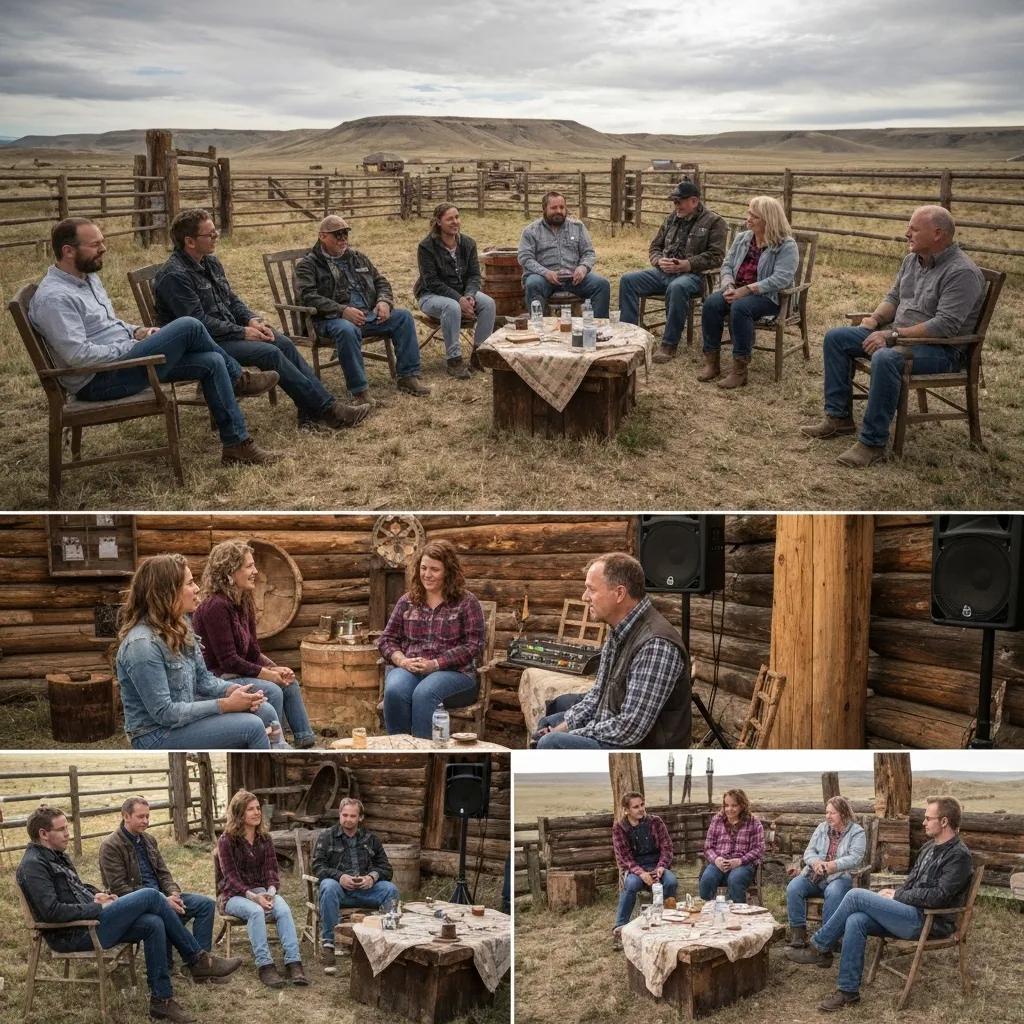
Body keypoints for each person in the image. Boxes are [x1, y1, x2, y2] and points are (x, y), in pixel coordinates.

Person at [28, 217, 278, 466]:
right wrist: (133, 347)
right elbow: (78, 356)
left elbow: (108, 324)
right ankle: (239, 378)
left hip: (123, 363)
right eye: (95, 245)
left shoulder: (87, 278)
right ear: (68, 251)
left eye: (102, 242)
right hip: (98, 380)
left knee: (211, 361)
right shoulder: (55, 298)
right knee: (189, 325)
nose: (103, 249)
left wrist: (138, 331)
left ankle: (236, 446)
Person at [17, 805, 241, 1024]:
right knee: (151, 896)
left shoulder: (56, 855)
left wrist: (98, 895)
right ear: (44, 834)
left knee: (153, 923)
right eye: (62, 829)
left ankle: (161, 1000)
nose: (68, 834)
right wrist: (98, 908)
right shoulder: (33, 865)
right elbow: (51, 911)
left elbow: (77, 887)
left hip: (89, 922)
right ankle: (197, 959)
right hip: (73, 934)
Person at [801, 205, 984, 467]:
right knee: (836, 338)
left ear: (937, 234)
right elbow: (895, 298)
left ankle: (872, 443)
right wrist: (875, 320)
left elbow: (945, 326)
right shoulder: (912, 260)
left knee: (886, 358)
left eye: (914, 228)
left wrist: (891, 335)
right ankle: (839, 418)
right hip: (898, 337)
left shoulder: (961, 272)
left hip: (941, 351)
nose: (906, 233)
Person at [154, 208, 368, 431]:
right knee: (269, 352)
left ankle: (311, 410)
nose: (216, 237)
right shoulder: (174, 276)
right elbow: (199, 323)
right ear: (189, 241)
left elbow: (232, 300)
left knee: (282, 342)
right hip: (201, 345)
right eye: (210, 234)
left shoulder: (210, 263)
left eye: (215, 232)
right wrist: (243, 332)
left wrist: (252, 319)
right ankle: (327, 411)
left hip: (227, 334)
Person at [787, 797, 974, 1013]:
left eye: (927, 818)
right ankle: (848, 992)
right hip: (910, 913)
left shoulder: (959, 855)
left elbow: (939, 897)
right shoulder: (929, 847)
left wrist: (897, 895)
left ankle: (819, 946)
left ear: (944, 822)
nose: (923, 822)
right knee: (856, 920)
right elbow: (913, 882)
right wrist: (896, 894)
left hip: (930, 921)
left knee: (856, 895)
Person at [115, 553, 286, 750]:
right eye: (189, 583)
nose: (197, 588)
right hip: (155, 734)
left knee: (264, 711)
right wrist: (225, 704)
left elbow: (203, 679)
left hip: (182, 722)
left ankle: (279, 750)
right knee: (252, 727)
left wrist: (234, 691)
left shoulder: (181, 626)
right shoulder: (141, 645)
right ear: (166, 592)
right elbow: (165, 713)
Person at [534, 553, 690, 748]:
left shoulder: (656, 644)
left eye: (591, 589)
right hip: (617, 732)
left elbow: (630, 729)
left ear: (619, 594)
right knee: (548, 723)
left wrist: (573, 732)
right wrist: (563, 727)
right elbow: (596, 698)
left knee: (552, 743)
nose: (584, 597)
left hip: (641, 751)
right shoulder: (619, 630)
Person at [193, 539, 316, 749]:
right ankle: (275, 745)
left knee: (289, 682)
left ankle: (306, 741)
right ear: (230, 572)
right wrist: (269, 675)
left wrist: (277, 669)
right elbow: (229, 661)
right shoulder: (216, 607)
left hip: (237, 673)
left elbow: (252, 652)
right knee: (273, 689)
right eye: (249, 566)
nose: (256, 571)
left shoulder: (244, 601)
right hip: (217, 677)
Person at [294, 214, 431, 402]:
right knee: (347, 329)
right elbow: (308, 297)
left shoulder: (357, 258)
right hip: (329, 320)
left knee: (403, 317)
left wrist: (383, 301)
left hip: (367, 315)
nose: (343, 239)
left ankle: (408, 376)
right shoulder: (308, 265)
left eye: (345, 234)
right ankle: (360, 392)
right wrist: (342, 310)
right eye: (337, 235)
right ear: (322, 236)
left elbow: (380, 281)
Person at [99, 796, 218, 978]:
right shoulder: (111, 846)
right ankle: (175, 962)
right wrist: (163, 900)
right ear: (126, 816)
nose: (146, 821)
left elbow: (163, 873)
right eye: (140, 817)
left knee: (206, 904)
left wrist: (174, 893)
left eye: (148, 816)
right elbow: (119, 889)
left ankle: (202, 965)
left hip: (163, 897)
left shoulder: (148, 840)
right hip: (137, 904)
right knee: (162, 916)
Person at [378, 539, 486, 737]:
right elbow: (386, 640)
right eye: (423, 568)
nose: (427, 575)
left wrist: (436, 664)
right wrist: (402, 660)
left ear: (448, 571)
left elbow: (474, 645)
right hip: (410, 668)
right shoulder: (408, 601)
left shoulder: (466, 602)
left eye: (434, 569)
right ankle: (400, 748)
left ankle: (425, 752)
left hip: (456, 674)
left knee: (425, 693)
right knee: (394, 690)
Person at [618, 180, 728, 364]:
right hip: (664, 272)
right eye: (674, 202)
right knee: (628, 280)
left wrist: (687, 264)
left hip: (694, 276)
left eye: (679, 202)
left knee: (677, 287)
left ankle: (668, 345)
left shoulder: (715, 222)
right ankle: (630, 335)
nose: (675, 206)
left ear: (694, 201)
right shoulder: (671, 218)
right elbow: (655, 247)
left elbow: (717, 257)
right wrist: (659, 260)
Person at [700, 195, 799, 388]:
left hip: (769, 296)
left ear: (768, 220)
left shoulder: (786, 245)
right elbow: (727, 264)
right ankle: (712, 362)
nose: (748, 219)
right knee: (712, 303)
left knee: (741, 307)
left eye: (754, 216)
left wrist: (747, 290)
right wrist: (728, 285)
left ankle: (740, 370)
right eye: (749, 213)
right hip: (737, 290)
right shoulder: (743, 238)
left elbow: (782, 278)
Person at [217, 790, 308, 988]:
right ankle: (265, 965)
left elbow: (271, 872)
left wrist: (271, 892)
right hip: (234, 896)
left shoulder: (264, 838)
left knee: (283, 909)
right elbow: (231, 878)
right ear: (239, 814)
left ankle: (293, 962)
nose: (257, 812)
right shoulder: (226, 840)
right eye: (251, 809)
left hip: (261, 892)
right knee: (256, 911)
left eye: (258, 808)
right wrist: (254, 897)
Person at [312, 797, 399, 974]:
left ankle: (388, 940)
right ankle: (328, 943)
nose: (348, 819)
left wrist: (372, 878)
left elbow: (386, 868)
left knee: (391, 889)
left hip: (366, 891)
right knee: (328, 885)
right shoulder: (327, 837)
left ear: (360, 818)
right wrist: (340, 876)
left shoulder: (371, 839)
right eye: (345, 815)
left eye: (353, 816)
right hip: (339, 892)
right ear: (339, 815)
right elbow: (317, 867)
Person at [414, 203, 497, 378]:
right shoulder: (426, 247)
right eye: (449, 219)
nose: (455, 222)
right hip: (431, 295)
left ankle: (479, 355)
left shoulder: (468, 243)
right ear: (438, 222)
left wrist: (469, 294)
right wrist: (459, 300)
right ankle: (454, 361)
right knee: (452, 306)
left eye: (457, 217)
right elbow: (432, 281)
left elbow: (475, 275)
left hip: (461, 293)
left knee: (488, 303)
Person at [784, 795, 866, 949]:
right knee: (794, 887)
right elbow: (809, 852)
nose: (828, 816)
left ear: (843, 813)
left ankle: (829, 938)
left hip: (840, 877)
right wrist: (816, 863)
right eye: (827, 812)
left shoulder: (857, 832)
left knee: (834, 892)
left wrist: (832, 865)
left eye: (832, 813)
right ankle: (798, 934)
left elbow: (855, 858)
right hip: (815, 875)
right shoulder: (822, 828)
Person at [517, 191, 610, 317]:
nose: (559, 211)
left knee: (601, 285)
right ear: (544, 209)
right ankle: (539, 328)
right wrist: (546, 273)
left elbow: (588, 253)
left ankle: (597, 329)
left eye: (562, 207)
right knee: (533, 284)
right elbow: (525, 258)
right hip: (544, 278)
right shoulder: (531, 231)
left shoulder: (577, 227)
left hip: (574, 278)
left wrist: (583, 268)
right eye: (554, 208)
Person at [612, 792, 677, 943]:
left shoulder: (656, 822)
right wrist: (641, 873)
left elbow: (667, 848)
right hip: (636, 867)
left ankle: (665, 921)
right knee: (631, 884)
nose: (641, 809)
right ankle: (620, 927)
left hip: (657, 863)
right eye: (636, 807)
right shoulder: (620, 828)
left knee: (671, 881)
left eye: (642, 805)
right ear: (627, 810)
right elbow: (625, 857)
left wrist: (661, 867)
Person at [698, 789, 764, 903]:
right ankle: (708, 912)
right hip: (720, 862)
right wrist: (716, 859)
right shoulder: (717, 820)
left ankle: (738, 915)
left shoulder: (754, 822)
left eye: (734, 805)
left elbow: (758, 849)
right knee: (706, 880)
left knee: (735, 880)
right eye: (726, 805)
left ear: (742, 805)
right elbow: (708, 847)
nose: (729, 809)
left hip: (743, 864)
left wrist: (739, 861)